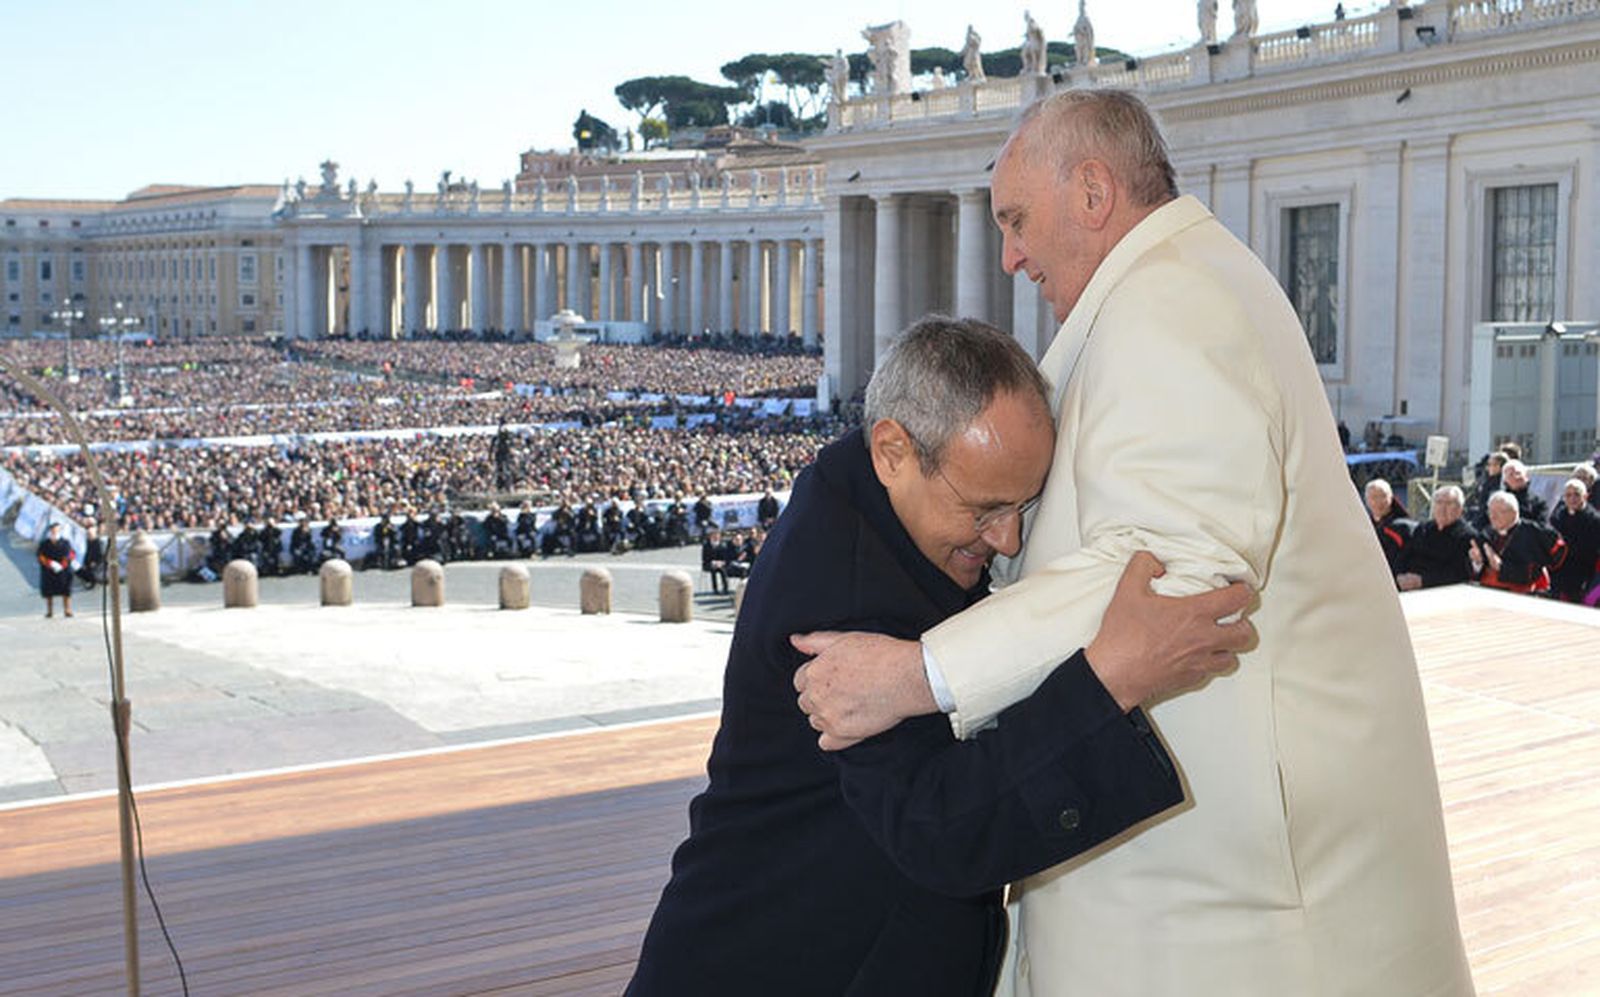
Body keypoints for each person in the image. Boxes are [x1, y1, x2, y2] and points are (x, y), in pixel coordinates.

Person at [793, 90, 1471, 995]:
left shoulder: (1174, 302)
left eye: (1018, 218)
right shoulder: (1169, 289)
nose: (1009, 254)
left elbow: (1168, 573)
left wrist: (919, 674)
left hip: (1241, 904)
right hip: (1193, 877)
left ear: (1094, 191)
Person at [627, 318, 1251, 997]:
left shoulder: (870, 494)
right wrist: (1113, 676)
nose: (1008, 538)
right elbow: (940, 829)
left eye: (1024, 506)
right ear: (893, 450)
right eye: (984, 508)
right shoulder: (844, 592)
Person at [1471, 491, 1566, 594]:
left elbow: (1531, 573)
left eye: (1499, 512)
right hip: (1486, 592)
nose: (1492, 516)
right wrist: (1477, 563)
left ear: (1514, 512)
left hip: (1519, 595)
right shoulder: (1487, 533)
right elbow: (1477, 572)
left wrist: (1502, 567)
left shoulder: (1532, 533)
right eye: (1490, 512)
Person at [1397, 485, 1477, 591]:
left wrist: (1422, 581)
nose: (1442, 508)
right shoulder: (1423, 529)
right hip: (1408, 585)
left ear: (1460, 508)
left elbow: (1459, 574)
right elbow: (1404, 556)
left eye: (1449, 503)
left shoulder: (1467, 536)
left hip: (1440, 591)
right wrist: (1399, 575)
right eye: (1439, 502)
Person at [1549, 478, 1600, 601]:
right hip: (1558, 570)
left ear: (1586, 496)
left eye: (1577, 494)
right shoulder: (1558, 516)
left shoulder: (1595, 521)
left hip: (1582, 573)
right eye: (1568, 495)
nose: (1572, 499)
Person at [1365, 477, 1413, 575]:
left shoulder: (1402, 527)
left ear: (1391, 497)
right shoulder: (1364, 526)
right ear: (1367, 501)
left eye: (1383, 496)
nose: (1379, 502)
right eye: (1374, 497)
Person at [38, 522, 75, 618]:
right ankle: (50, 611)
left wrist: (63, 564)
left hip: (63, 569)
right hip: (49, 570)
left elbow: (71, 554)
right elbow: (40, 556)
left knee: (66, 590)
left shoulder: (66, 542)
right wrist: (50, 563)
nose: (55, 532)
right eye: (53, 530)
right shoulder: (44, 544)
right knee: (49, 591)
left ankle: (67, 609)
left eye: (57, 530)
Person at [699, 525, 733, 594]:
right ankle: (715, 589)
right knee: (713, 570)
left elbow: (726, 557)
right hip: (709, 563)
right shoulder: (706, 545)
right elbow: (704, 558)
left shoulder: (723, 545)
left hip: (721, 563)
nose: (716, 537)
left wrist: (721, 562)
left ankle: (725, 588)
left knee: (723, 570)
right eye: (714, 535)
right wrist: (712, 562)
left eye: (717, 535)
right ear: (710, 536)